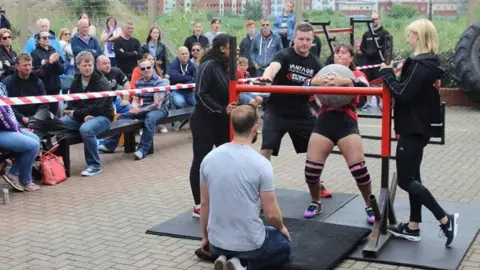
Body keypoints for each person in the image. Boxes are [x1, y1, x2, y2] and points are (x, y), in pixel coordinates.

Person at [380, 19, 459, 247]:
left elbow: (403, 94)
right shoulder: (428, 63)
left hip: (413, 129)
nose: (407, 39)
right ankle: (414, 226)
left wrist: (387, 75)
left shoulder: (420, 65)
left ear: (418, 36)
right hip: (418, 127)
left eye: (409, 35)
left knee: (406, 180)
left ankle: (445, 220)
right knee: (414, 178)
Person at [199, 105, 291, 270]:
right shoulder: (261, 164)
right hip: (249, 246)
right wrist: (282, 228)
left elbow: (204, 204)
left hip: (216, 243)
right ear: (255, 129)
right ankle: (244, 265)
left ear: (232, 126)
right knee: (284, 245)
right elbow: (271, 214)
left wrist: (205, 238)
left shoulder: (208, 159)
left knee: (263, 232)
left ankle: (226, 257)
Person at [301, 43, 375, 224]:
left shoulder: (357, 74)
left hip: (346, 122)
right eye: (337, 52)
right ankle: (316, 201)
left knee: (359, 171)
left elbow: (363, 86)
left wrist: (345, 82)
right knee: (311, 172)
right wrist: (317, 82)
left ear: (351, 58)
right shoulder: (324, 73)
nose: (340, 55)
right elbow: (305, 86)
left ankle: (369, 205)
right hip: (325, 120)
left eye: (344, 53)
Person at [259, 22, 332, 197]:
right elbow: (273, 67)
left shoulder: (315, 62)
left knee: (317, 149)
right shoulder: (284, 54)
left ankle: (316, 185)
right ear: (294, 38)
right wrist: (267, 76)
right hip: (277, 112)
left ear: (312, 40)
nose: (304, 43)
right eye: (301, 39)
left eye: (308, 39)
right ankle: (258, 189)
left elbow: (325, 83)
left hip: (301, 114)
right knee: (265, 150)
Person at [188, 33, 237, 218]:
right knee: (201, 161)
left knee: (227, 160)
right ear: (223, 49)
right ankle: (199, 204)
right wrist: (222, 110)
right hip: (204, 121)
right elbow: (201, 95)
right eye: (232, 47)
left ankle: (223, 198)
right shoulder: (208, 66)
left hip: (221, 121)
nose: (236, 51)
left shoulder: (226, 67)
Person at [99, 58, 170, 160]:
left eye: (148, 67)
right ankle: (109, 145)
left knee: (149, 119)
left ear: (152, 67)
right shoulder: (139, 82)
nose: (146, 70)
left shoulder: (160, 82)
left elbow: (157, 104)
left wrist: (139, 110)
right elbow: (136, 98)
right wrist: (134, 106)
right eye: (143, 68)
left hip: (161, 109)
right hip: (144, 107)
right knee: (122, 117)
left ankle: (143, 149)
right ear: (140, 70)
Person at [61, 51, 114, 177]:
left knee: (86, 129)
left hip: (103, 116)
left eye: (90, 65)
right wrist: (79, 114)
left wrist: (79, 114)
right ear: (78, 66)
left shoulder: (102, 82)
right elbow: (72, 102)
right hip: (81, 116)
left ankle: (95, 165)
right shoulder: (76, 80)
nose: (87, 68)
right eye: (84, 65)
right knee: (57, 123)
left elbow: (99, 107)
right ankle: (58, 163)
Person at [0, 66, 41, 192]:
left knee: (35, 139)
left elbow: (8, 110)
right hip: (2, 129)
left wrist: (17, 126)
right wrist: (16, 129)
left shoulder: (1, 86)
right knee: (33, 145)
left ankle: (13, 172)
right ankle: (25, 180)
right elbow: (1, 115)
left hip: (7, 127)